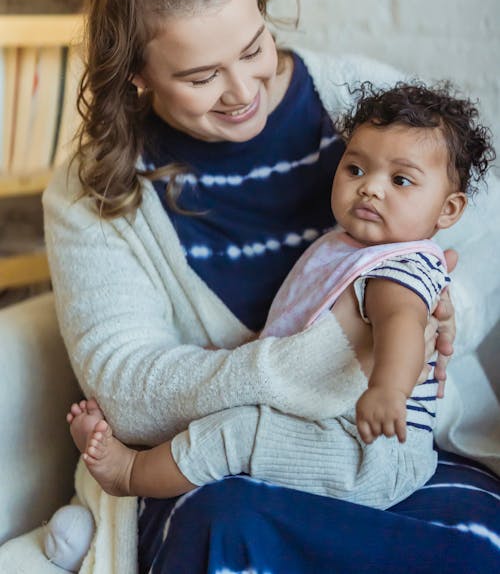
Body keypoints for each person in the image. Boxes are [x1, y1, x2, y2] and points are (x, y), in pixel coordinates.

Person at [42, 0, 500, 574]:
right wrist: (308, 359)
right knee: (228, 531)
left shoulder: (365, 97)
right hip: (227, 468)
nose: (241, 91)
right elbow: (129, 389)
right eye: (201, 77)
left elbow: (482, 239)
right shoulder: (96, 190)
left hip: (391, 439)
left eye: (254, 47)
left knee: (473, 548)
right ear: (136, 75)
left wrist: (439, 305)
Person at [65, 80, 494, 510]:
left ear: (448, 209)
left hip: (370, 453)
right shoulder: (345, 248)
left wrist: (388, 390)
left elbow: (401, 323)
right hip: (333, 428)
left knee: (237, 433)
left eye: (401, 180)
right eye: (356, 170)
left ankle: (129, 474)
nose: (371, 188)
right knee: (231, 418)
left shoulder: (396, 266)